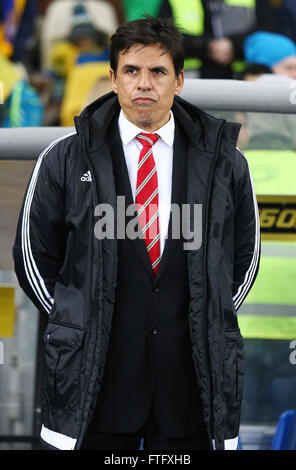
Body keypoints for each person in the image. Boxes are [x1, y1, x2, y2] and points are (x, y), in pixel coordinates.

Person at [13, 16, 260, 451]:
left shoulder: (226, 163)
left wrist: (209, 315)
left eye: (158, 71)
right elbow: (33, 258)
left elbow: (244, 259)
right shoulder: (64, 158)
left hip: (191, 391)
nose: (143, 83)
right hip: (96, 386)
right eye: (131, 70)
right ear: (112, 78)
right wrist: (80, 319)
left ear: (180, 80)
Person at [158, 0, 277, 78]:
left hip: (243, 83)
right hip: (191, 86)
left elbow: (268, 30)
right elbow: (163, 35)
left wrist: (234, 45)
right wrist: (205, 46)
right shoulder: (173, 2)